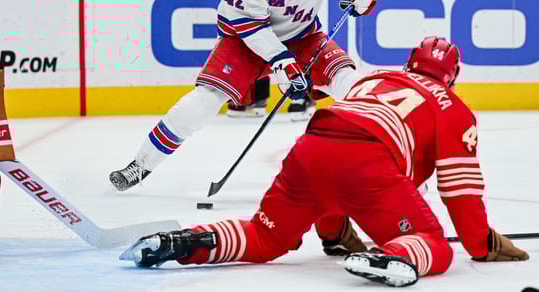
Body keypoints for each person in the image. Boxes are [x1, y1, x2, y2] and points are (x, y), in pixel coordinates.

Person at [121, 37, 530, 288]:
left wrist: (333, 234)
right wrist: (482, 245)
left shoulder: (373, 79)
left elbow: (335, 172)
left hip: (311, 147)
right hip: (368, 163)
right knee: (432, 243)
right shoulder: (453, 108)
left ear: (409, 64)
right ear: (452, 76)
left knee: (264, 237)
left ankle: (185, 243)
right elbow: (460, 190)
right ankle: (395, 257)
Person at [109, 0, 384, 193]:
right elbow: (250, 25)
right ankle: (141, 164)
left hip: (303, 36)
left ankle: (390, 159)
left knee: (348, 80)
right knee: (206, 99)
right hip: (244, 40)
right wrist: (282, 61)